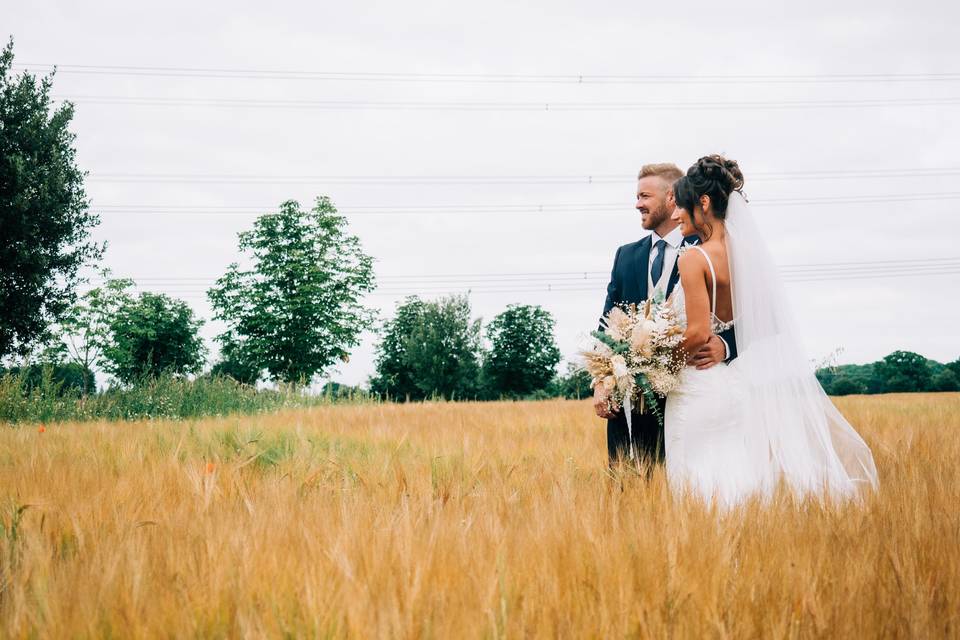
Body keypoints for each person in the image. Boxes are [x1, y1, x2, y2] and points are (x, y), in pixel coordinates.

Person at [664, 155, 879, 505]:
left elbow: (697, 334)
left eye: (682, 207)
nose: (676, 215)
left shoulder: (693, 258)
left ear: (703, 203)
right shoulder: (746, 255)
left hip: (698, 387)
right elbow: (768, 316)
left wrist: (652, 361)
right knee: (733, 475)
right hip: (733, 386)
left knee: (693, 479)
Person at [595, 163, 737, 467]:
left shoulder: (710, 249)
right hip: (631, 408)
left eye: (645, 195)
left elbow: (755, 314)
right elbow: (607, 322)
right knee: (631, 498)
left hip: (694, 393)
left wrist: (726, 346)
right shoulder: (625, 255)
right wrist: (602, 381)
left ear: (672, 198)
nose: (637, 204)